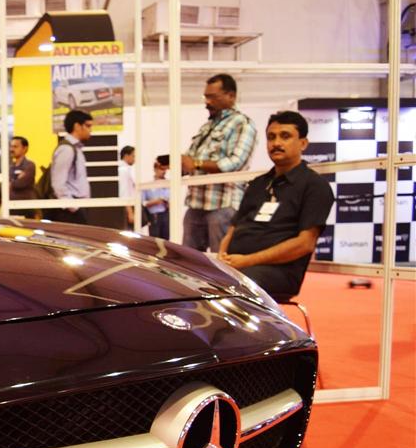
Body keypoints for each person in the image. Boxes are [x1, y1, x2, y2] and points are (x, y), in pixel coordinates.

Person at [218, 111, 334, 299]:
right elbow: (233, 228)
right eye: (271, 137)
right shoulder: (258, 184)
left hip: (278, 272)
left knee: (234, 284)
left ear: (303, 143)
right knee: (192, 281)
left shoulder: (314, 186)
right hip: (238, 265)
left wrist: (246, 261)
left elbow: (305, 244)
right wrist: (222, 256)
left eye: (285, 136)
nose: (276, 143)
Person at [181, 73, 257, 250]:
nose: (207, 102)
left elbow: (235, 162)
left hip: (223, 206)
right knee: (187, 262)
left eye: (212, 97)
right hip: (196, 204)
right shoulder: (207, 127)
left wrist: (197, 163)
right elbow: (191, 159)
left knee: (221, 261)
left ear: (231, 96)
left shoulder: (242, 124)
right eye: (205, 97)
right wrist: (181, 164)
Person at [50, 109, 92, 224]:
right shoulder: (66, 149)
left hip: (76, 208)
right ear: (77, 126)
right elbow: (58, 183)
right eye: (88, 126)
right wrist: (74, 207)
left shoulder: (75, 148)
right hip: (70, 212)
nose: (90, 130)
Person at [142, 154, 171, 240]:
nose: (163, 171)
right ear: (155, 169)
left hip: (165, 214)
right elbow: (143, 202)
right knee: (154, 239)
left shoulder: (168, 183)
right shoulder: (148, 184)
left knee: (166, 240)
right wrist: (155, 201)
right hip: (153, 215)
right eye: (161, 169)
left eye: (164, 169)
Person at [9, 136, 36, 201]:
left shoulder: (29, 165)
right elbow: (3, 185)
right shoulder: (10, 166)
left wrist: (10, 183)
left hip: (24, 204)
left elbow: (20, 184)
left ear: (25, 148)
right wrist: (15, 179)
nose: (11, 149)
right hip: (11, 204)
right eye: (11, 146)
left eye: (15, 147)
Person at [118, 145, 136, 227]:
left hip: (129, 205)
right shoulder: (123, 171)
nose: (134, 159)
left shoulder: (126, 170)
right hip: (127, 207)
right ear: (126, 156)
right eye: (133, 156)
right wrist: (130, 212)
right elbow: (124, 192)